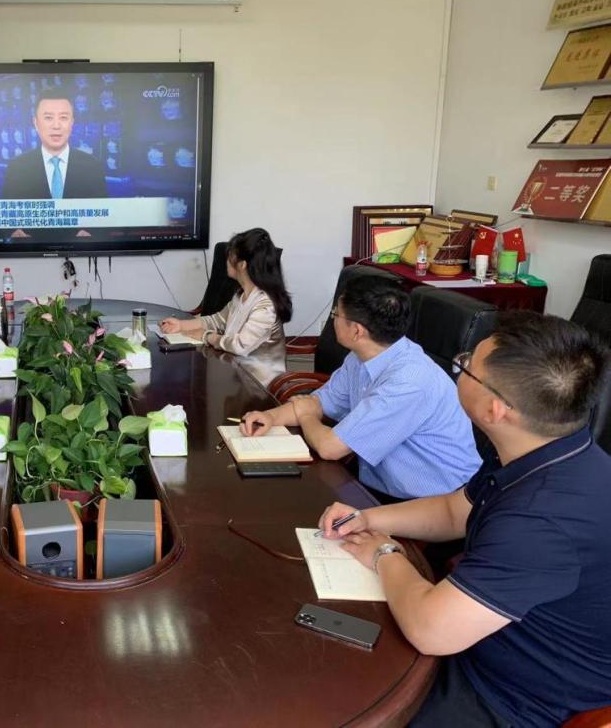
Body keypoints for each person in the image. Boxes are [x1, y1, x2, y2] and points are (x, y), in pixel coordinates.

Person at [317, 313, 611, 727]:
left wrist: (384, 553)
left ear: (495, 409)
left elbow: (430, 630)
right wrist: (365, 517)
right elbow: (454, 510)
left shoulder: (541, 520)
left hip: (510, 695)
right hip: (483, 635)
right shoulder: (548, 447)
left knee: (335, 695)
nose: (459, 366)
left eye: (467, 365)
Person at [242, 274, 481, 501]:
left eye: (336, 314)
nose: (333, 319)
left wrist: (306, 416)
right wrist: (269, 417)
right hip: (378, 485)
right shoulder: (364, 355)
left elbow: (329, 448)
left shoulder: (408, 382)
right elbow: (319, 402)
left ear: (357, 331)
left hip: (436, 502)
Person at [159, 228, 292, 382]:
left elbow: (239, 345)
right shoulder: (241, 296)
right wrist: (181, 325)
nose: (227, 260)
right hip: (236, 374)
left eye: (230, 256)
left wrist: (206, 336)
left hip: (260, 384)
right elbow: (217, 320)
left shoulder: (266, 305)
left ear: (242, 265)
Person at [1, 89, 109, 201]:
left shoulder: (92, 167)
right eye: (48, 118)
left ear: (72, 123)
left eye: (63, 118)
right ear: (36, 123)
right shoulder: (17, 168)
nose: (56, 126)